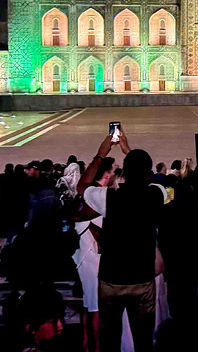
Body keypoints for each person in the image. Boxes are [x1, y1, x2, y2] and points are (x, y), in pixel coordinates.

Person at [78, 131, 162, 352]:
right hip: (142, 280)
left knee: (110, 340)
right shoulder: (157, 195)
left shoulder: (108, 198)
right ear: (147, 172)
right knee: (144, 339)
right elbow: (151, 180)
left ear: (124, 171)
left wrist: (100, 154)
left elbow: (82, 187)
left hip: (111, 279)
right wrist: (128, 150)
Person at [73, 155, 115, 352]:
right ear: (106, 175)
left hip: (85, 257)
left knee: (89, 305)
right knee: (95, 307)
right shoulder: (99, 197)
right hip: (93, 259)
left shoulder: (87, 195)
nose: (115, 175)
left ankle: (87, 344)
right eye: (113, 171)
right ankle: (95, 347)